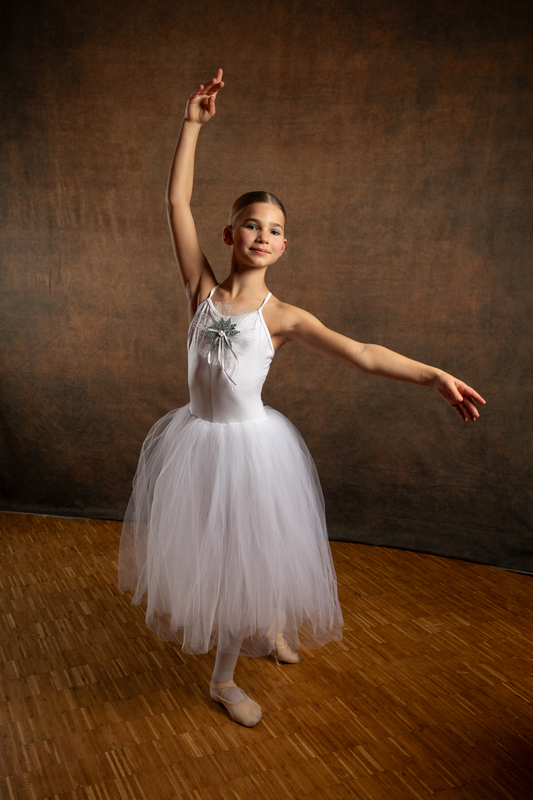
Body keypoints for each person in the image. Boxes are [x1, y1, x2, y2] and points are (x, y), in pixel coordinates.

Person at [118, 69, 485, 728]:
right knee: (227, 557)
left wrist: (431, 374)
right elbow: (175, 203)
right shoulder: (200, 290)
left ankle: (245, 655)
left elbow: (364, 353)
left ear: (284, 245)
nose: (261, 234)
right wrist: (191, 125)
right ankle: (237, 665)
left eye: (274, 228)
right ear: (228, 234)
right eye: (249, 224)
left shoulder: (283, 317)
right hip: (199, 443)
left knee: (256, 549)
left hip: (253, 449)